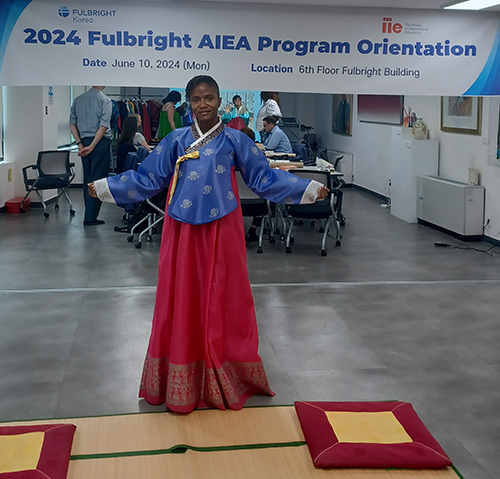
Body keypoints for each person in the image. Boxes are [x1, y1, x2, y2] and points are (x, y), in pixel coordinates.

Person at [88, 75, 328, 413]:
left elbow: (263, 177)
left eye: (210, 98)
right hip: (181, 229)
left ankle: (224, 370)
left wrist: (306, 189)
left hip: (223, 227)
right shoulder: (175, 140)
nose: (204, 104)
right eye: (197, 99)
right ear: (189, 103)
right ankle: (183, 365)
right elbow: (148, 178)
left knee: (225, 296)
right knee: (181, 294)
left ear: (219, 101)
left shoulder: (235, 140)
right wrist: (106, 187)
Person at [69, 86, 112, 226]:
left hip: (84, 142)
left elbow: (72, 124)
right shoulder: (105, 100)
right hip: (99, 143)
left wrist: (79, 144)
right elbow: (103, 126)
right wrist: (93, 145)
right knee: (97, 180)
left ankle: (89, 214)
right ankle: (90, 217)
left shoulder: (77, 100)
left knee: (87, 178)